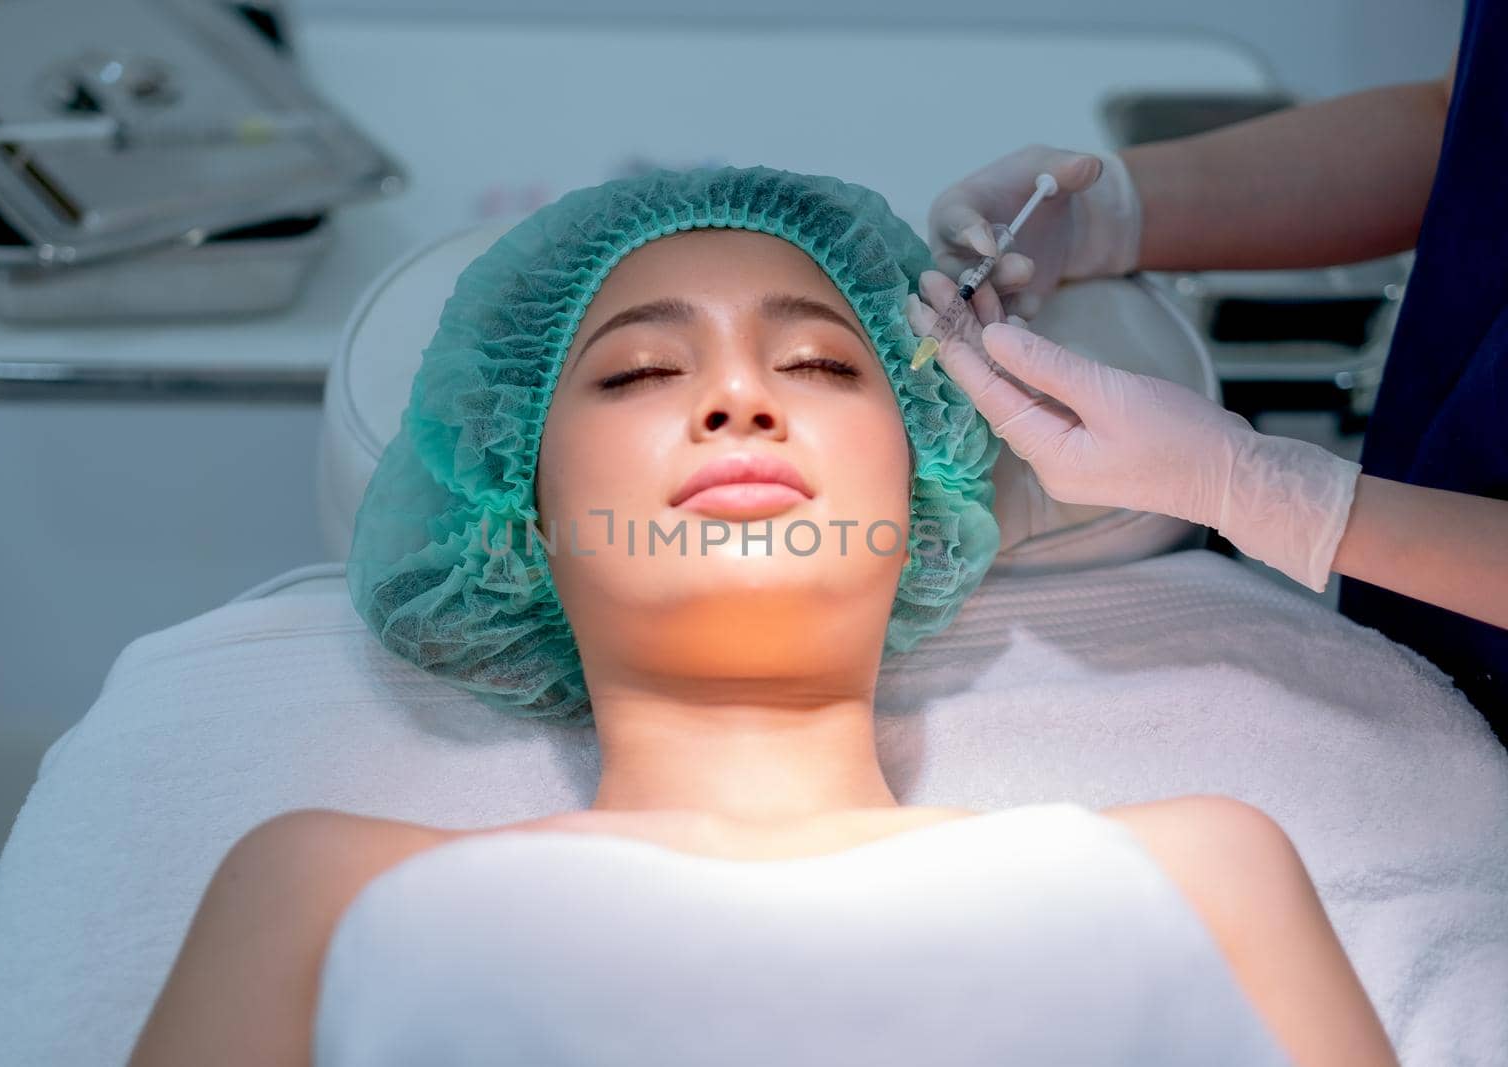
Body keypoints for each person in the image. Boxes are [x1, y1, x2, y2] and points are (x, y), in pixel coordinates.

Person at [127, 167, 1397, 1065]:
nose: (739, 395)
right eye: (637, 370)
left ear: (925, 485)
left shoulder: (1202, 868)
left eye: (819, 364)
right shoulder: (314, 886)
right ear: (516, 514)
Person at [921, 0, 1506, 734]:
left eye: (818, 364)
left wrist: (1270, 494)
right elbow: (1467, 123)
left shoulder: (1220, 838)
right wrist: (1117, 213)